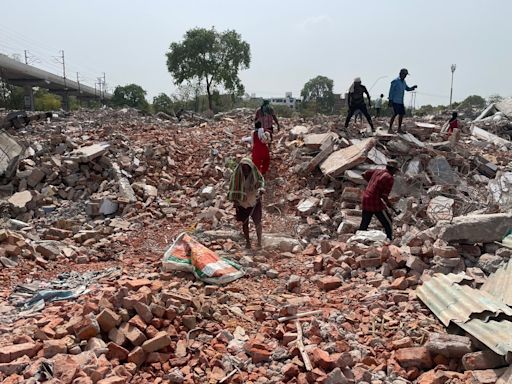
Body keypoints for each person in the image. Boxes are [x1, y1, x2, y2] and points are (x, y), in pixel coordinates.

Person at [228, 158, 265, 249]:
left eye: (247, 167)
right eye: (244, 168)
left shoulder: (255, 174)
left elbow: (261, 183)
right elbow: (233, 188)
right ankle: (248, 243)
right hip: (242, 203)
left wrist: (261, 191)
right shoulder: (236, 176)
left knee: (258, 222)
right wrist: (235, 201)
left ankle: (259, 242)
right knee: (245, 223)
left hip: (254, 201)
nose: (245, 170)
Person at [359, 160, 399, 240]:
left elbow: (364, 174)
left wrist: (371, 184)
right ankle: (389, 239)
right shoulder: (389, 178)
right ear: (393, 170)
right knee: (388, 222)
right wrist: (393, 208)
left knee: (365, 222)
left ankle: (358, 239)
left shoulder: (378, 171)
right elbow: (384, 196)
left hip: (366, 198)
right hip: (374, 201)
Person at [388, 68, 417, 133]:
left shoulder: (404, 82)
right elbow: (391, 91)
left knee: (401, 114)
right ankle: (390, 129)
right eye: (404, 74)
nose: (405, 76)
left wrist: (412, 88)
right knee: (395, 114)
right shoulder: (395, 81)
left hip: (400, 101)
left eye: (406, 75)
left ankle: (399, 129)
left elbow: (407, 88)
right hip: (395, 101)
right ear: (401, 74)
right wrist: (390, 100)